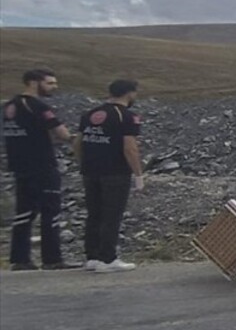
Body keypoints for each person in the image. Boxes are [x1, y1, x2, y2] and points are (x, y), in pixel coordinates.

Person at [3, 69, 76, 270]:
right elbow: (61, 132)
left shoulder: (10, 105)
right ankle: (52, 259)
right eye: (50, 83)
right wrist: (75, 141)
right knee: (50, 211)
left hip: (20, 166)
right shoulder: (37, 105)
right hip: (42, 165)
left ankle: (20, 259)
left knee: (24, 212)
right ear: (34, 83)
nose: (54, 87)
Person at [77, 79, 144, 273]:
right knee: (111, 215)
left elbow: (78, 142)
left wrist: (83, 163)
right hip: (115, 172)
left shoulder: (90, 114)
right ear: (129, 93)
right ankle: (108, 259)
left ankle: (92, 257)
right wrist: (138, 174)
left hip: (90, 172)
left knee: (94, 214)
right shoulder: (127, 117)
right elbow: (130, 148)